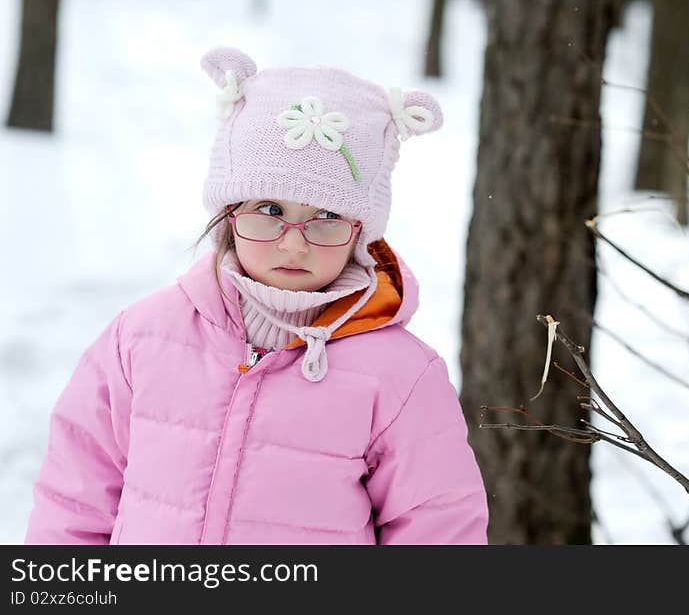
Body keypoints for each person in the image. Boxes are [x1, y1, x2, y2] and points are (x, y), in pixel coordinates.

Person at [24, 47, 489, 545]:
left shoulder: (400, 377)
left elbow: (439, 531)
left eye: (327, 217)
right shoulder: (140, 340)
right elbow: (73, 506)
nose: (294, 241)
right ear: (229, 211)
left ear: (361, 233)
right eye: (269, 208)